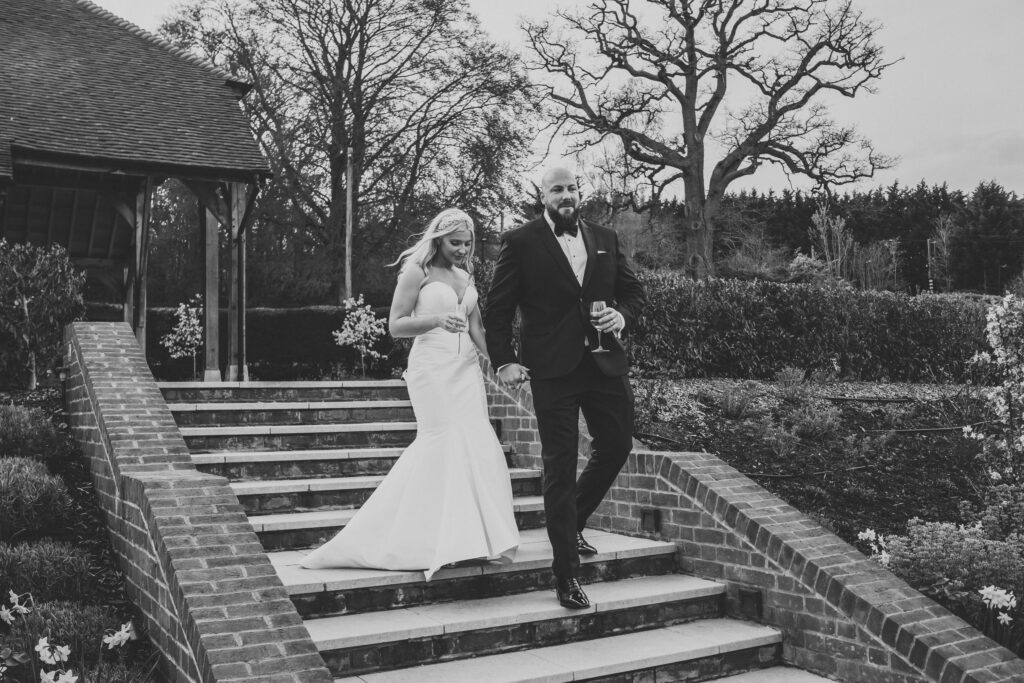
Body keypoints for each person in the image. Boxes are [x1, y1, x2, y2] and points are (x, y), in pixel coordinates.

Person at [301, 208, 519, 579]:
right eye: (455, 243)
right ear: (438, 239)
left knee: (475, 444)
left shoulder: (465, 276)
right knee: (442, 443)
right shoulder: (416, 271)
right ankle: (413, 538)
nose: (462, 250)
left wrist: (502, 364)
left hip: (466, 370)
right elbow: (396, 325)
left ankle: (468, 539)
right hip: (431, 370)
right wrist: (435, 320)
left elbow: (477, 328)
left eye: (467, 244)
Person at [484, 165, 645, 609]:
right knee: (559, 466)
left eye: (573, 188)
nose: (567, 194)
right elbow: (497, 309)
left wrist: (622, 317)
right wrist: (504, 361)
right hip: (552, 371)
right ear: (543, 195)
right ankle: (566, 576)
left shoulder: (605, 239)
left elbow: (633, 293)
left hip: (604, 365)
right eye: (558, 189)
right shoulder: (520, 242)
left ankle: (575, 520)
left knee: (616, 446)